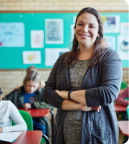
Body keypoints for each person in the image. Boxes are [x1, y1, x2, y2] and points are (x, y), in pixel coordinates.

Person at [42, 7, 122, 144]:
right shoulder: (63, 59)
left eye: (91, 26)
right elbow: (47, 93)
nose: (84, 29)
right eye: (80, 24)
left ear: (98, 32)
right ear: (74, 28)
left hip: (97, 137)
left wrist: (67, 94)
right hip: (63, 136)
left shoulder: (109, 57)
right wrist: (79, 106)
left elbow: (108, 93)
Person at [3, 67, 53, 135]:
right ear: (24, 83)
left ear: (38, 85)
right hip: (21, 120)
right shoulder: (18, 92)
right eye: (29, 85)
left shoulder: (41, 92)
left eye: (34, 86)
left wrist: (33, 105)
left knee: (42, 129)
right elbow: (4, 101)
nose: (31, 89)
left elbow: (52, 103)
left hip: (38, 120)